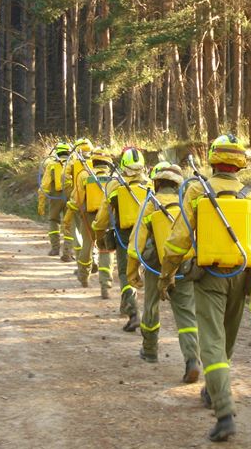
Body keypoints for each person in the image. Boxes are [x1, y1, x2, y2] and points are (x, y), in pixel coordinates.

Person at [159, 134, 251, 442]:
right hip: (242, 275)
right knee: (225, 340)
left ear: (212, 159)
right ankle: (213, 388)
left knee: (212, 341)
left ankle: (224, 413)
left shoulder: (197, 190)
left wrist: (166, 274)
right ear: (241, 162)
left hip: (208, 276)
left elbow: (179, 239)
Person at [126, 161, 201, 383]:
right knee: (187, 314)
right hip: (183, 266)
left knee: (151, 307)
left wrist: (132, 273)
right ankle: (191, 360)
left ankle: (149, 351)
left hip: (155, 266)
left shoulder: (150, 203)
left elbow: (135, 242)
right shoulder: (186, 203)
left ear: (157, 182)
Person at [93, 147, 151, 332]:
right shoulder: (150, 184)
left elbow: (103, 215)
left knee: (126, 274)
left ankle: (133, 312)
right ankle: (137, 310)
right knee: (147, 274)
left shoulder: (115, 185)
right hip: (149, 234)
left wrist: (97, 231)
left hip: (125, 235)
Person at [68, 148, 114, 298]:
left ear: (93, 161)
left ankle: (83, 277)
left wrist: (73, 212)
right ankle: (105, 285)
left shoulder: (84, 175)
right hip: (107, 216)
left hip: (88, 216)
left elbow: (77, 199)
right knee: (105, 249)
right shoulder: (113, 178)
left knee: (87, 245)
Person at [60, 137, 93, 262]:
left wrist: (70, 191)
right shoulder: (97, 160)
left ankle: (80, 260)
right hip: (93, 201)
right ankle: (92, 258)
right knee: (90, 232)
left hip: (77, 198)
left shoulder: (73, 161)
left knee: (75, 229)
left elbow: (64, 176)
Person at [37, 141, 73, 256]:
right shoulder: (73, 163)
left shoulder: (51, 164)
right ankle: (67, 251)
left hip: (55, 197)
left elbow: (44, 186)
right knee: (70, 223)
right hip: (70, 196)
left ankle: (55, 248)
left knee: (53, 221)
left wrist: (41, 204)